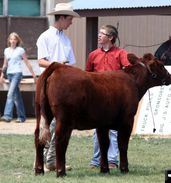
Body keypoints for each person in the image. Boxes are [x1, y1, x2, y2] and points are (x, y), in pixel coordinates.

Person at [36, 2, 80, 171]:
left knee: (59, 123)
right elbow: (41, 61)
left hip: (65, 86)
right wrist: (57, 65)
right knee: (47, 122)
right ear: (61, 18)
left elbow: (72, 63)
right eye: (69, 19)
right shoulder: (45, 37)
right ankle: (46, 159)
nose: (71, 22)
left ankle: (50, 159)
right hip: (49, 84)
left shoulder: (66, 39)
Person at [86, 25, 130, 168]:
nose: (99, 35)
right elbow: (87, 74)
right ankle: (96, 160)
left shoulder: (121, 53)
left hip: (114, 99)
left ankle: (112, 161)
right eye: (98, 33)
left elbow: (128, 70)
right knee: (96, 130)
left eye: (102, 34)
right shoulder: (93, 54)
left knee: (112, 131)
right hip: (97, 98)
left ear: (110, 38)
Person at [0, 32, 37, 123]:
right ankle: (22, 117)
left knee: (10, 94)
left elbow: (27, 63)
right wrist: (1, 76)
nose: (13, 41)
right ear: (9, 40)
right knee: (17, 97)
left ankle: (7, 116)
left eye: (14, 39)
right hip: (9, 74)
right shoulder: (6, 50)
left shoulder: (20, 50)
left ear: (17, 41)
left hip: (17, 74)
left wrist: (34, 75)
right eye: (11, 39)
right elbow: (5, 65)